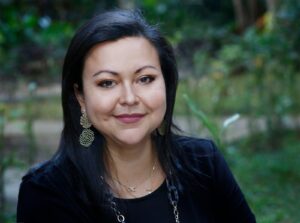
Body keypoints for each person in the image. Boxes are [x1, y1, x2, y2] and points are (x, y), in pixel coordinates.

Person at [17, 9, 256, 223]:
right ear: (80, 96)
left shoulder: (204, 162)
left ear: (166, 84)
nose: (129, 98)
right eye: (107, 83)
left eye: (145, 79)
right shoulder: (46, 193)